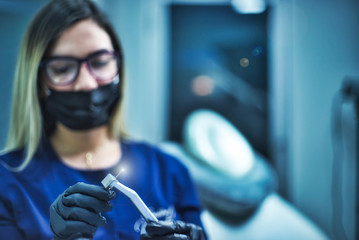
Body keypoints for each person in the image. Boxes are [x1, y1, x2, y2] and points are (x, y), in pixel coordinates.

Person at [0, 0, 206, 239]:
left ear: (119, 69)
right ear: (39, 81)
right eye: (63, 68)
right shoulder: (7, 181)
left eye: (99, 63)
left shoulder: (170, 172)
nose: (87, 83)